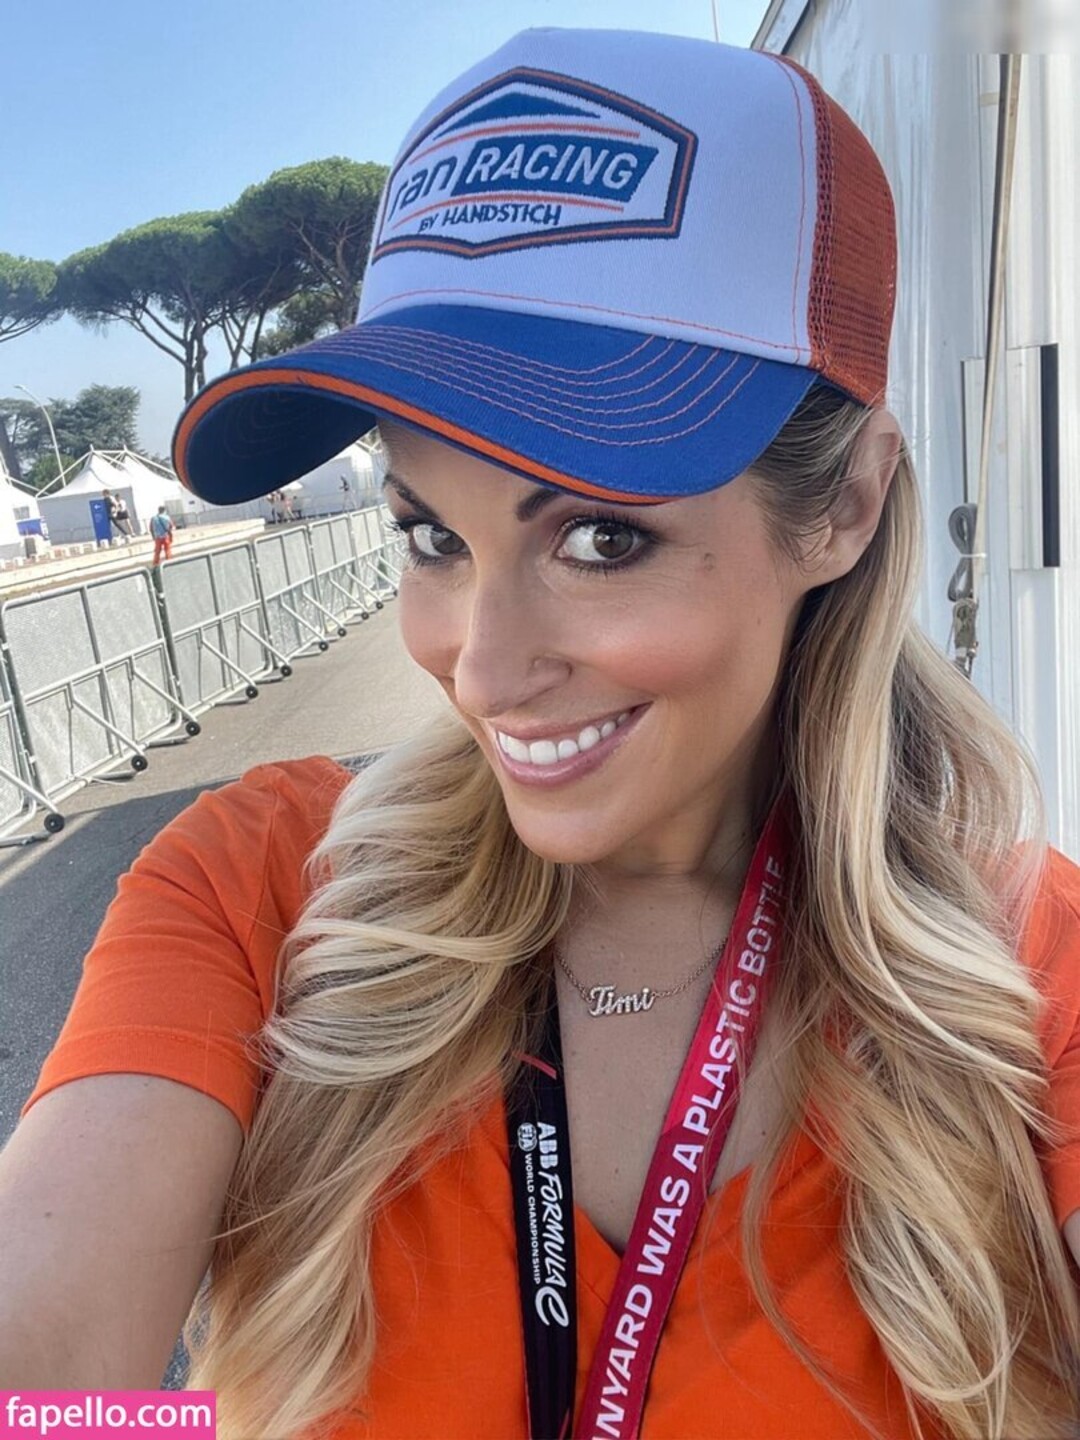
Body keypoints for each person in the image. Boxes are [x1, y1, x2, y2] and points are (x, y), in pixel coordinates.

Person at [2, 30, 1079, 1440]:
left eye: (601, 536)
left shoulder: (1024, 974)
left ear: (845, 509)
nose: (483, 665)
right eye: (431, 535)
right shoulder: (261, 893)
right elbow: (43, 1370)